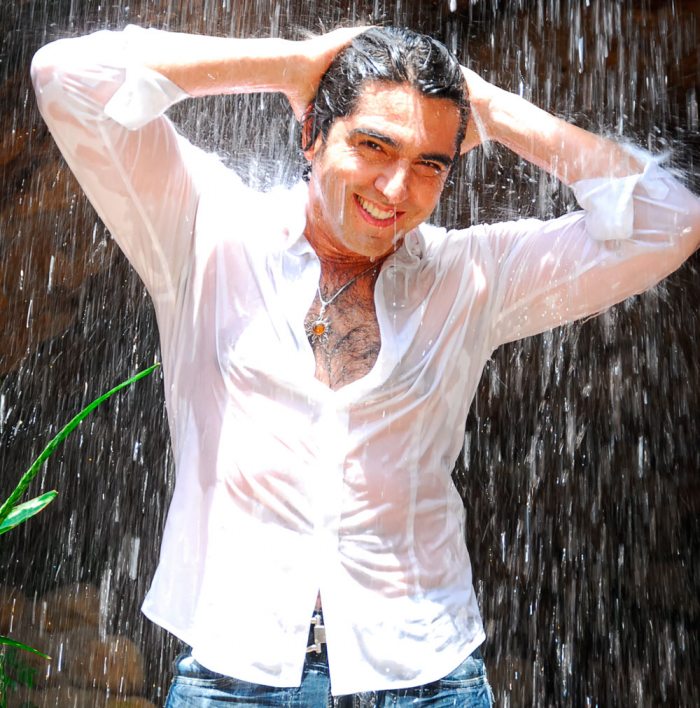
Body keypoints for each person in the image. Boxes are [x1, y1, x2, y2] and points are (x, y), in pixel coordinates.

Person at [31, 21, 699, 707]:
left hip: (428, 678)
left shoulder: (476, 276)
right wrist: (288, 65)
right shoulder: (208, 230)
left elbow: (672, 220)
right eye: (373, 145)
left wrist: (495, 111)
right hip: (234, 675)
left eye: (430, 164)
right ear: (311, 135)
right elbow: (65, 78)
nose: (396, 188)